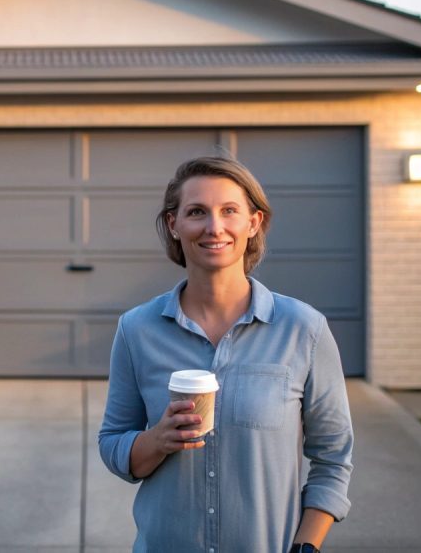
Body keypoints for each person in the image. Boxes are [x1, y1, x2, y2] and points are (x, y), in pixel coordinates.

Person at [98, 156, 353, 553]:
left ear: (253, 222)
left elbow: (333, 457)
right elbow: (113, 443)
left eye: (229, 211)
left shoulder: (304, 329)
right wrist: (157, 439)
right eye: (196, 212)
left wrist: (306, 547)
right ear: (174, 224)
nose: (214, 227)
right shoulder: (137, 329)